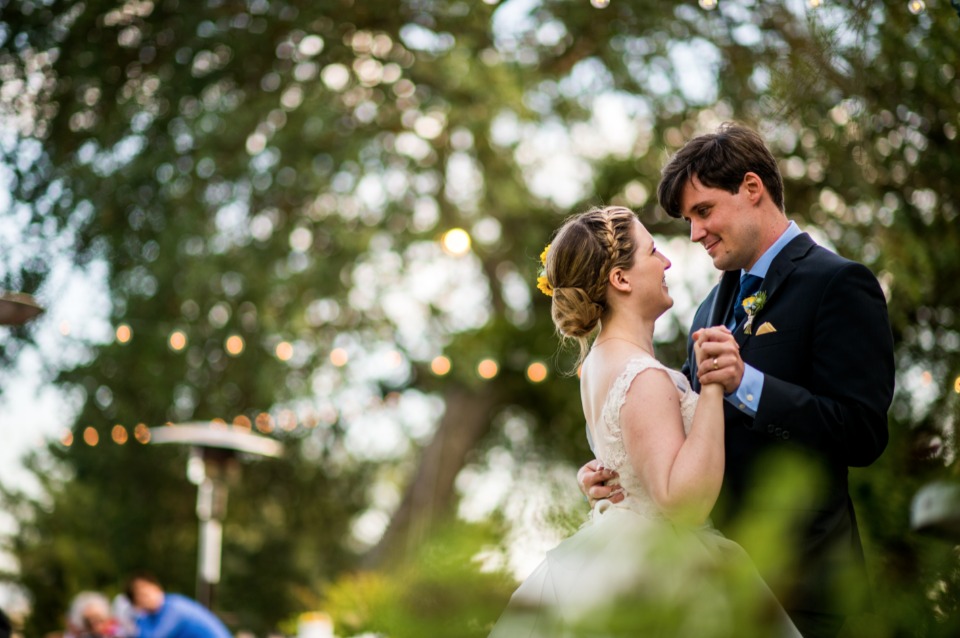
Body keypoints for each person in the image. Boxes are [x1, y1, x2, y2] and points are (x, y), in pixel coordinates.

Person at [578, 123, 895, 638]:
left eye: (703, 212)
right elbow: (673, 427)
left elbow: (862, 432)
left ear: (752, 188)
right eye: (688, 220)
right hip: (713, 587)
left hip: (805, 585)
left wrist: (750, 384)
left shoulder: (837, 284)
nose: (695, 234)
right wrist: (609, 469)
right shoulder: (707, 307)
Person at [490, 206, 800, 637]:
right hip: (663, 569)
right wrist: (711, 386)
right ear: (621, 279)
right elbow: (682, 501)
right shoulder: (643, 375)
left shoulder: (600, 362)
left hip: (613, 551)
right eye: (653, 251)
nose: (667, 261)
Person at [125, 573, 231, 638]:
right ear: (136, 603)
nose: (147, 597)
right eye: (141, 596)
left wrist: (138, 618)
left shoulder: (174, 608)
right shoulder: (154, 615)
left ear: (157, 587)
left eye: (147, 592)